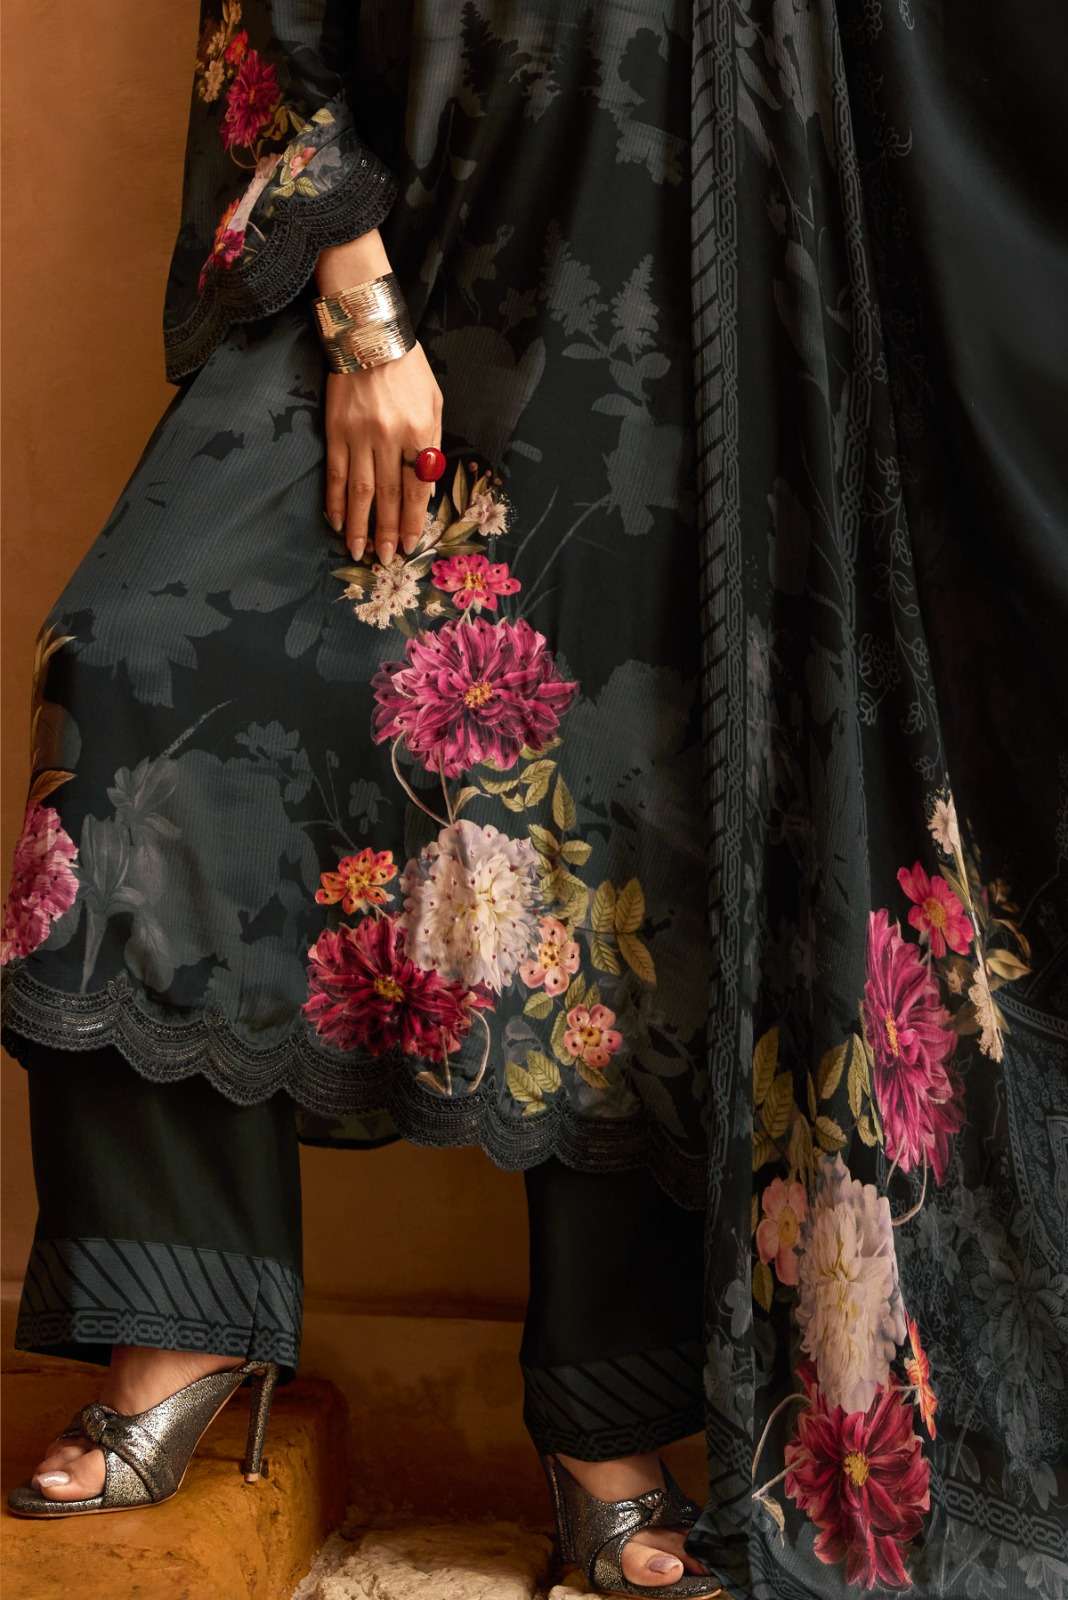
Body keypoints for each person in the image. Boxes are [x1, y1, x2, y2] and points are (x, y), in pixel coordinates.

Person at [3, 4, 1067, 1598]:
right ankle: (182, 1318)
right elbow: (272, 28)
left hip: (696, 292)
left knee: (656, 790)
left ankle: (604, 1428)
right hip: (412, 266)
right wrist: (365, 322)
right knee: (129, 665)